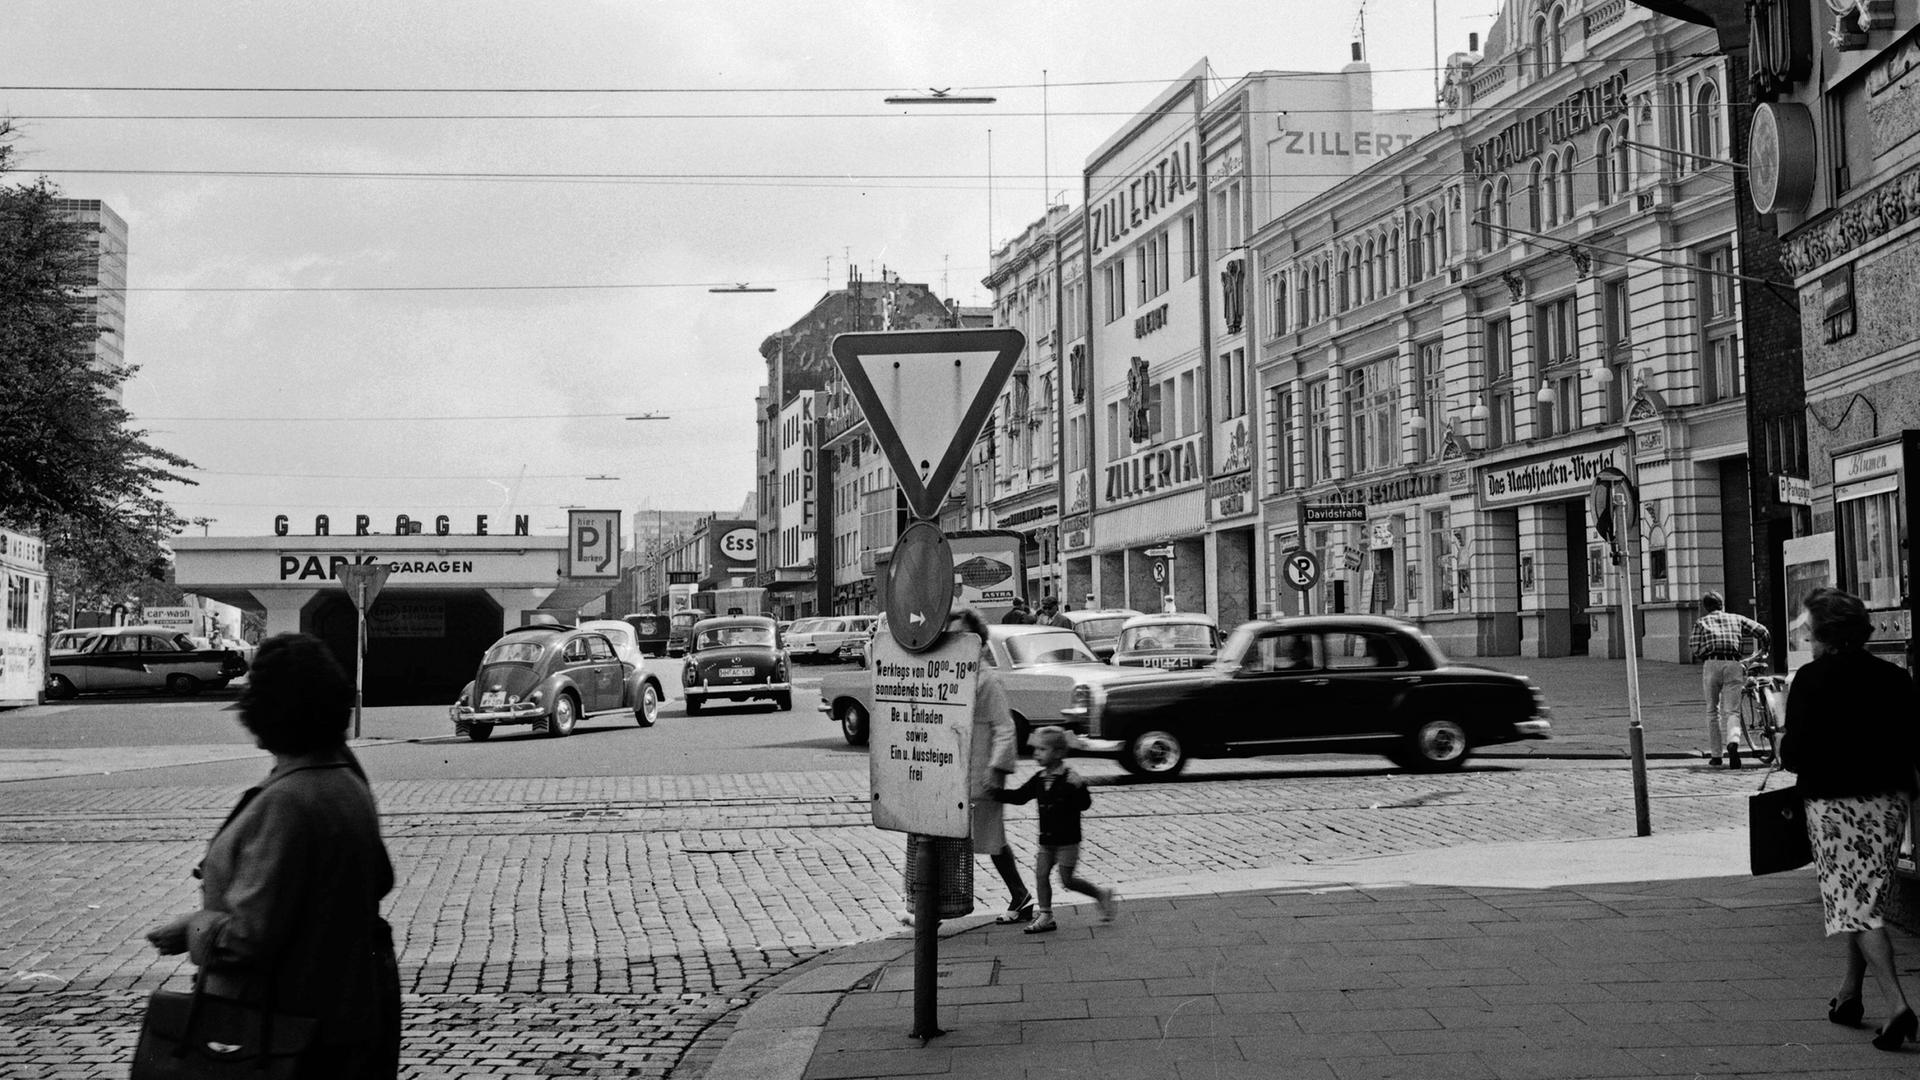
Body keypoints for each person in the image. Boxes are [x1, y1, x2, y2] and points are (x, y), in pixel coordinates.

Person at [143, 633, 400, 1079]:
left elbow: (248, 938)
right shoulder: (345, 782)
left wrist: (194, 928)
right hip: (346, 1019)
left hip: (281, 1029)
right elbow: (375, 878)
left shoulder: (287, 801)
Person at [1779, 587, 1920, 1052]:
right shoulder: (1894, 678)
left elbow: (1793, 755)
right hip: (1889, 801)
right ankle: (1849, 995)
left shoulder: (1811, 680)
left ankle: (1897, 1005)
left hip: (1835, 803)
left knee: (1854, 904)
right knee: (1861, 896)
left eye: (1810, 630)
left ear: (1823, 634)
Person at [900, 609, 1034, 928]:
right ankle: (932, 907)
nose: (956, 641)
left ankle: (1020, 896)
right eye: (952, 635)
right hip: (953, 773)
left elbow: (1004, 727)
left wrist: (996, 768)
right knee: (946, 839)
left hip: (979, 775)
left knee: (991, 841)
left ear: (978, 641)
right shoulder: (952, 672)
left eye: (962, 635)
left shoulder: (986, 679)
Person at [993, 726, 1118, 933]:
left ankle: (1100, 894)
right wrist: (995, 794)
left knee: (1067, 880)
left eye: (1042, 749)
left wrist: (1080, 787)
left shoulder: (1070, 778)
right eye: (1036, 749)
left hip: (1068, 841)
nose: (1036, 754)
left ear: (1058, 753)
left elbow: (1085, 804)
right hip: (1047, 841)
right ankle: (1046, 915)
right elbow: (1020, 796)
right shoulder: (1040, 778)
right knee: (1041, 874)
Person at [1688, 590, 1771, 768]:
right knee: (1732, 711)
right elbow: (1763, 631)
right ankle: (1733, 741)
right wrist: (1764, 651)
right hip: (1733, 664)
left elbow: (1695, 647)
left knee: (1712, 710)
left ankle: (1717, 756)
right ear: (1722, 605)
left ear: (1705, 607)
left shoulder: (1701, 622)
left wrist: (1707, 654)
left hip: (1712, 664)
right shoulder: (1736, 618)